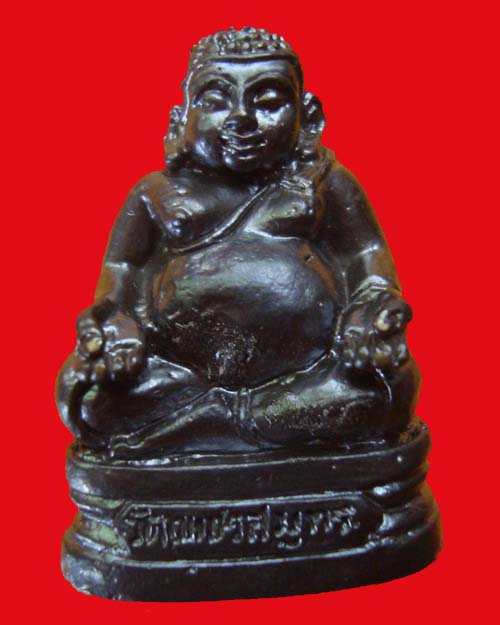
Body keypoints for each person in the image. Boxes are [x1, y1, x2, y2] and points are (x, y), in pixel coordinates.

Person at [56, 27, 420, 457]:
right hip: (178, 374)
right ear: (181, 118)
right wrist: (116, 321)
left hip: (308, 374)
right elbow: (123, 271)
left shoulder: (323, 181)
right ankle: (244, 420)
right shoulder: (155, 192)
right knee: (87, 398)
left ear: (308, 118)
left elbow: (364, 255)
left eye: (267, 102)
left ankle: (206, 424)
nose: (241, 118)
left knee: (389, 388)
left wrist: (370, 307)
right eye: (215, 101)